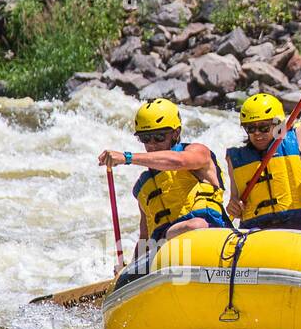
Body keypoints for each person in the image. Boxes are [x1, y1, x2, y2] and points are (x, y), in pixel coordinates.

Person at [224, 51, 301, 230]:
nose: (257, 133)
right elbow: (235, 201)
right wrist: (233, 205)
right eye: (251, 128)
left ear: (279, 125)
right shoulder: (235, 157)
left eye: (264, 127)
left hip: (299, 227)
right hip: (257, 232)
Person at [97, 98, 227, 256]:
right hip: (164, 249)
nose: (151, 144)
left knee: (196, 225)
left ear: (176, 133)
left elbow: (179, 161)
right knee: (193, 226)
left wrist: (127, 158)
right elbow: (144, 237)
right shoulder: (143, 186)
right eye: (145, 138)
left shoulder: (198, 152)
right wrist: (128, 272)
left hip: (210, 234)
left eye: (159, 137)